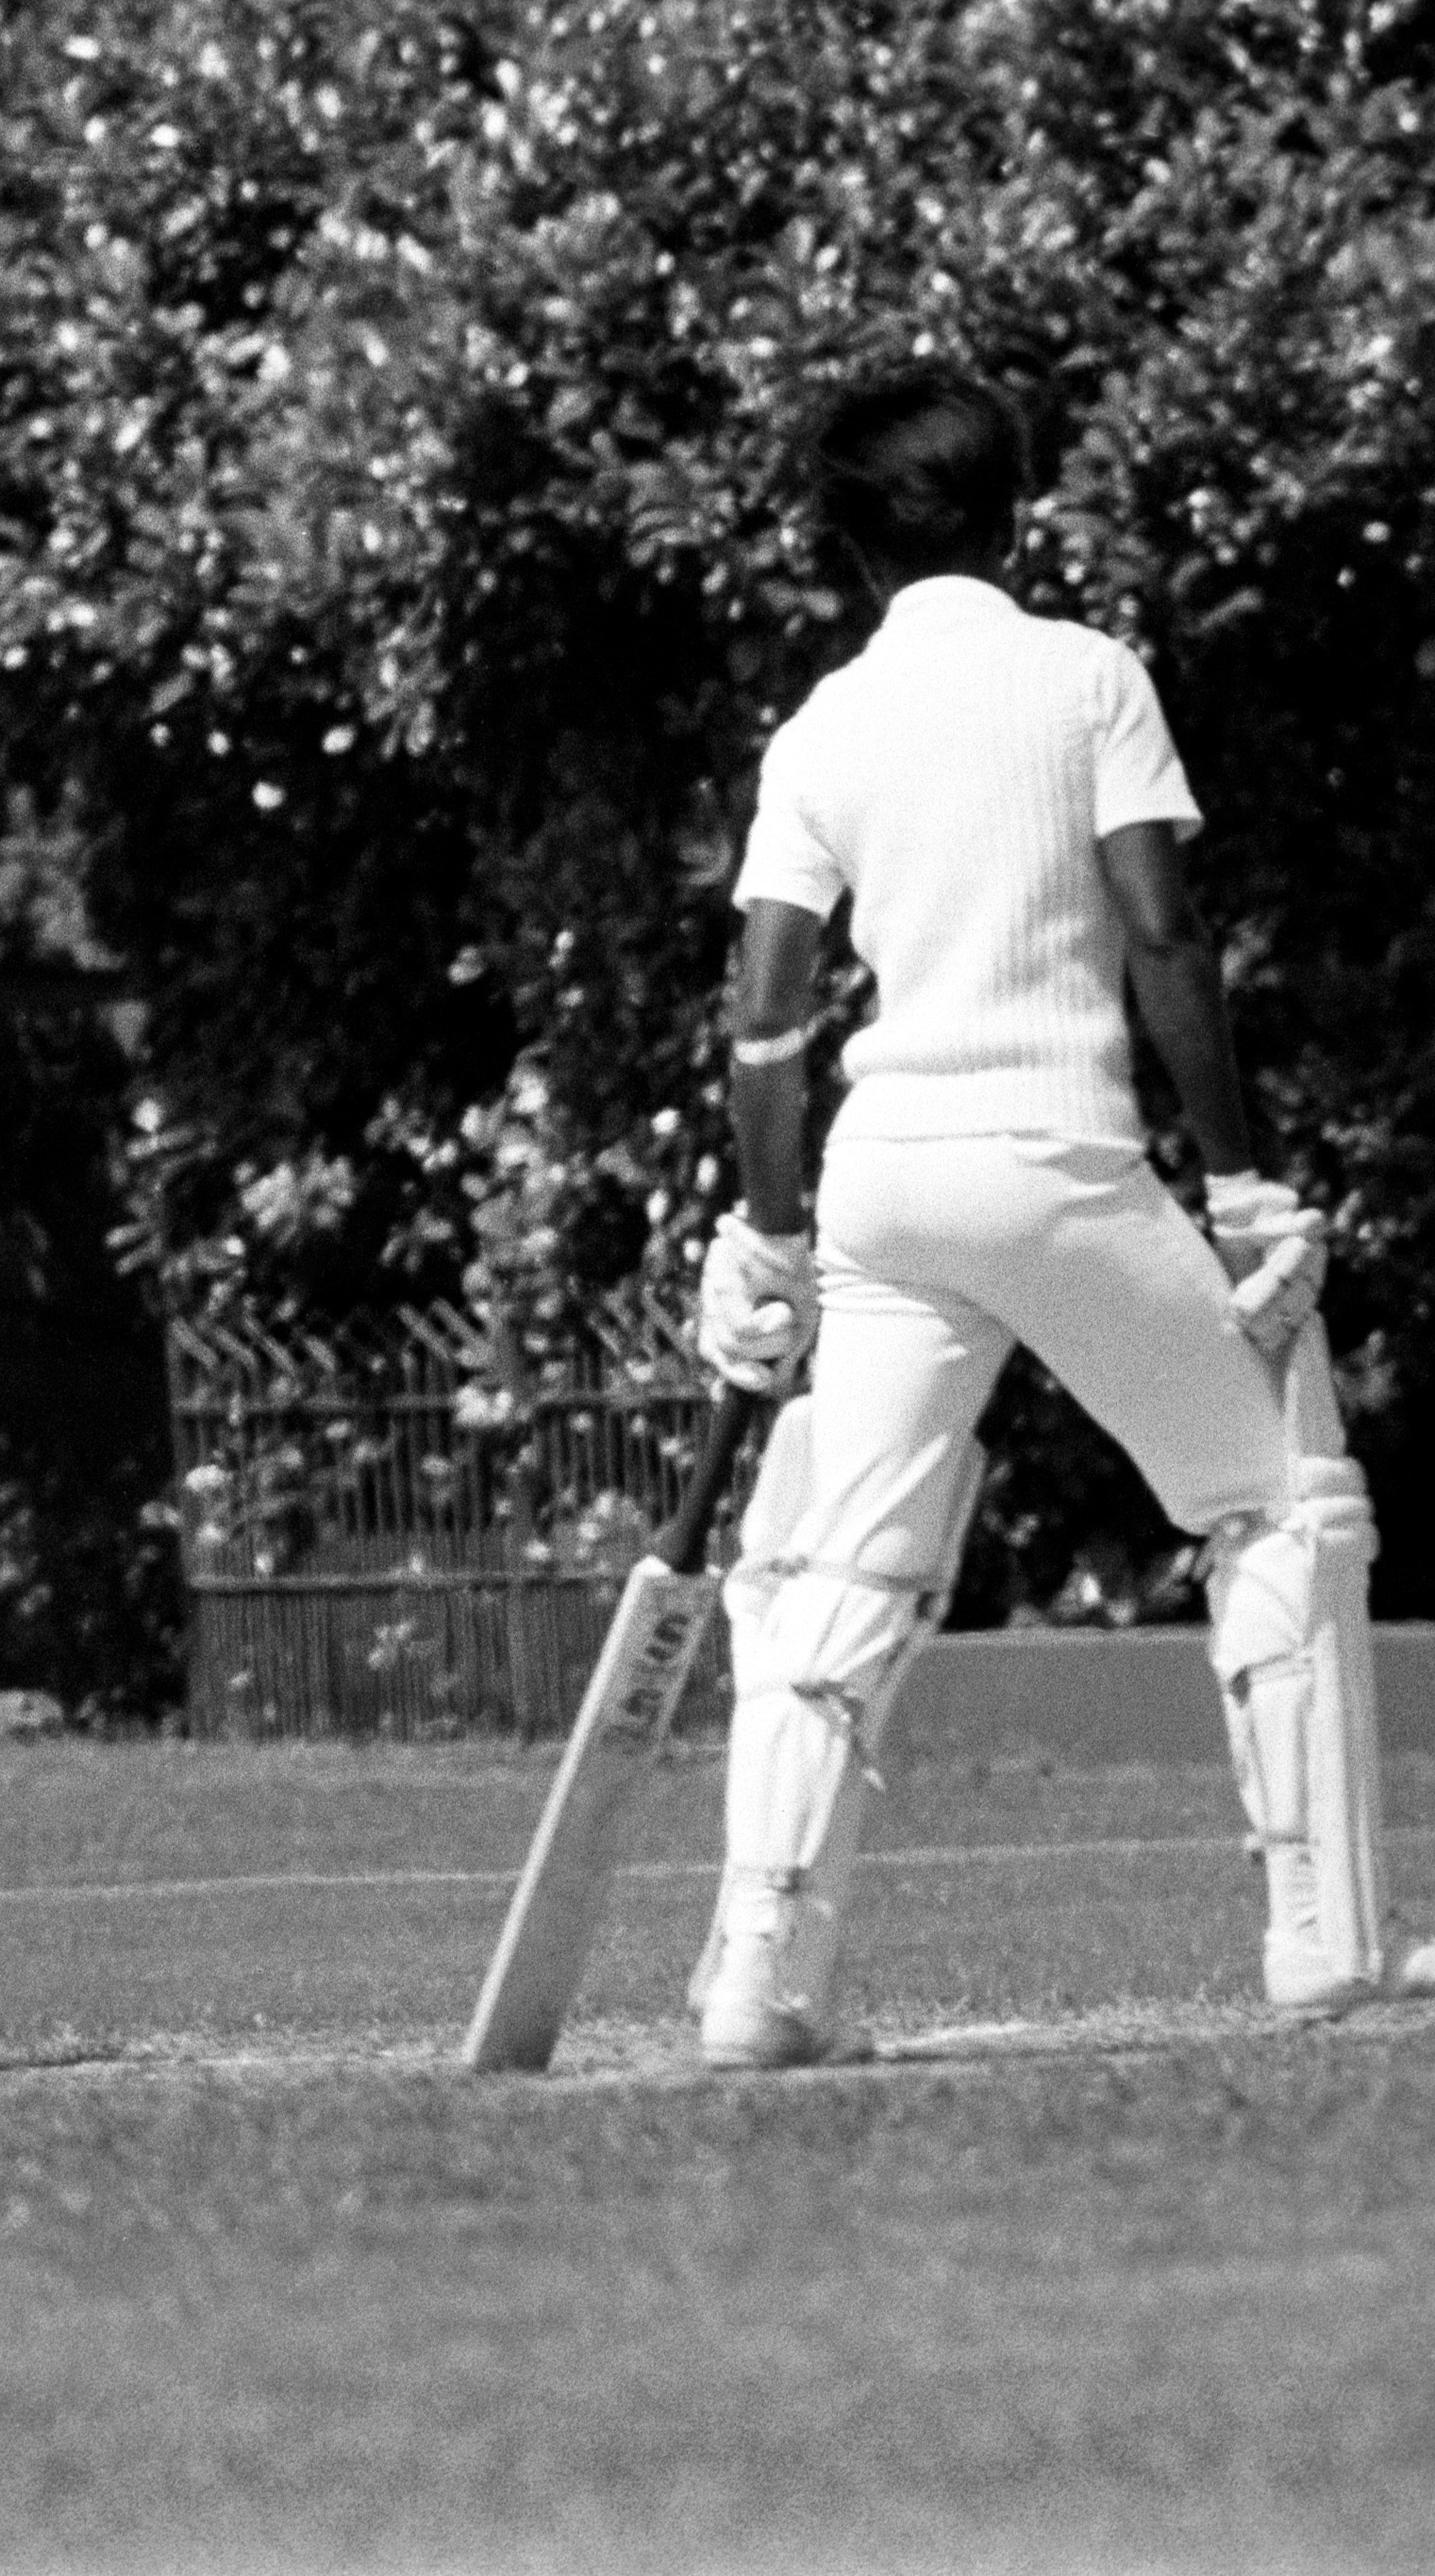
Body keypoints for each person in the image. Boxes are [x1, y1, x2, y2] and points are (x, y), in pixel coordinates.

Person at [691, 362, 1432, 2070]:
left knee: (837, 1569)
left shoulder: (820, 727)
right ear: (1014, 511)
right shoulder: (1088, 677)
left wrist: (771, 1233)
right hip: (1059, 1160)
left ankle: (757, 1981)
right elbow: (1165, 939)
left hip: (885, 1181)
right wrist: (1241, 1184)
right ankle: (1322, 1936)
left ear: (842, 543)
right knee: (1284, 1499)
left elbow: (766, 1016)